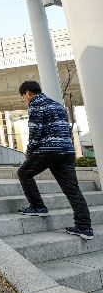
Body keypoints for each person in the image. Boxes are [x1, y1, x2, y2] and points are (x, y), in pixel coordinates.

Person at [17, 80, 93, 240]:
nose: (24, 99)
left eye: (23, 96)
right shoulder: (58, 105)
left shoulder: (35, 104)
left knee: (23, 173)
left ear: (28, 92)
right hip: (66, 151)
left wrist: (29, 151)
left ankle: (38, 206)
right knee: (73, 190)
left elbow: (35, 132)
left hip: (48, 150)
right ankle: (84, 228)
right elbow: (66, 129)